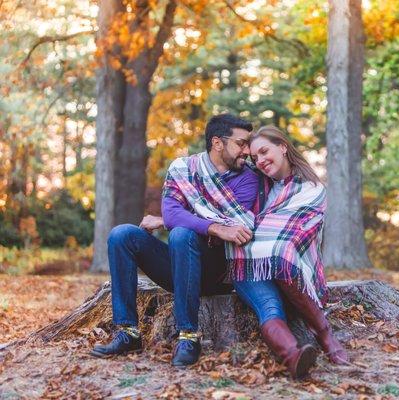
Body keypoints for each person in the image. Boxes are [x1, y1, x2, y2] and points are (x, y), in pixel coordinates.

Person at [90, 114, 258, 367]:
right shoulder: (183, 169)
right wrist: (213, 226)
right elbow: (172, 214)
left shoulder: (248, 178)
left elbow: (235, 224)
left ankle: (189, 336)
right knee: (121, 235)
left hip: (218, 271)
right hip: (181, 267)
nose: (247, 151)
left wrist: (184, 219)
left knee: (181, 233)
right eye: (241, 143)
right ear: (218, 143)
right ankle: (128, 333)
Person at [229, 125, 349, 379]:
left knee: (281, 252)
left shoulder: (311, 189)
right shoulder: (257, 185)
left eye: (264, 152)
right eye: (255, 158)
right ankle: (294, 356)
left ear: (283, 147)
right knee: (269, 307)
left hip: (288, 270)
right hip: (247, 265)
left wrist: (263, 240)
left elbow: (293, 241)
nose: (260, 161)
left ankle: (324, 333)